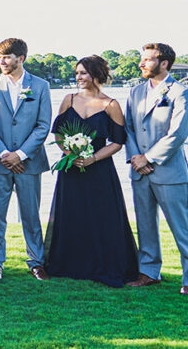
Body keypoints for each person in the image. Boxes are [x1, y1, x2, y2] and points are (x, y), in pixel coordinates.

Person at [43, 56, 138, 287]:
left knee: (102, 217)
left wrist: (92, 158)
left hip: (100, 170)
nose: (79, 77)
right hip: (71, 169)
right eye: (77, 73)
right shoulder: (68, 100)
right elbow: (58, 134)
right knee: (72, 214)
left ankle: (104, 264)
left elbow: (117, 142)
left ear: (96, 74)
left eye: (83, 73)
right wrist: (70, 154)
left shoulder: (111, 105)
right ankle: (70, 264)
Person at [0, 38, 52, 281]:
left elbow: (43, 126)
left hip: (29, 163)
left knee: (31, 215)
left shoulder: (40, 86)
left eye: (7, 57)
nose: (2, 61)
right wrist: (4, 154)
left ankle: (36, 262)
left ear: (21, 58)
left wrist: (20, 155)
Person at [124, 43, 188, 294]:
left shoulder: (180, 92)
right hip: (139, 172)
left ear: (164, 63)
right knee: (145, 225)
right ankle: (149, 272)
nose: (141, 63)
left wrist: (148, 158)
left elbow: (178, 134)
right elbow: (128, 128)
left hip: (169, 172)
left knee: (182, 228)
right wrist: (135, 159)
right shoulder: (135, 91)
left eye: (147, 60)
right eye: (142, 59)